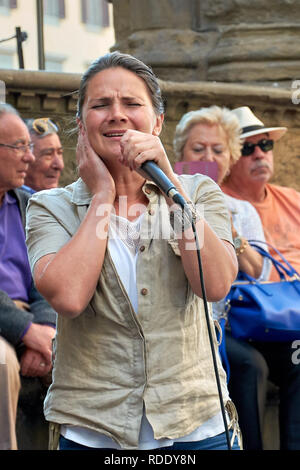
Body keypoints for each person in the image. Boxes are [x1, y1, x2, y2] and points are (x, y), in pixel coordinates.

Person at [25, 52, 241, 451]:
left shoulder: (196, 193)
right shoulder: (48, 206)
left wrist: (170, 182)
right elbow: (69, 298)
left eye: (132, 104)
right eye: (101, 105)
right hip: (94, 429)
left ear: (157, 122)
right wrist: (103, 196)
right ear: (80, 124)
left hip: (195, 426)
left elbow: (214, 283)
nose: (117, 115)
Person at [173, 106, 273, 449]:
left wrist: (231, 234)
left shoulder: (241, 210)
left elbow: (261, 271)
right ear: (181, 154)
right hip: (190, 325)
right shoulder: (165, 201)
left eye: (217, 150)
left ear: (229, 158)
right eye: (198, 149)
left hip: (236, 324)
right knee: (249, 365)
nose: (208, 157)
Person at [221, 106, 300, 450]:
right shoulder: (216, 199)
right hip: (244, 321)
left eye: (265, 145)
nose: (259, 154)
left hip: (290, 320)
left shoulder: (292, 199)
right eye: (246, 148)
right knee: (250, 367)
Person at [0, 103, 57, 450]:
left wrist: (45, 329)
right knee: (1, 363)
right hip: (7, 323)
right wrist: (24, 331)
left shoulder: (28, 203)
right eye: (19, 146)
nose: (29, 158)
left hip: (31, 319)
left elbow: (45, 276)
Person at [22, 117, 64, 194]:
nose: (59, 165)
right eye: (48, 154)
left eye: (60, 153)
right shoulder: (8, 203)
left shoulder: (65, 203)